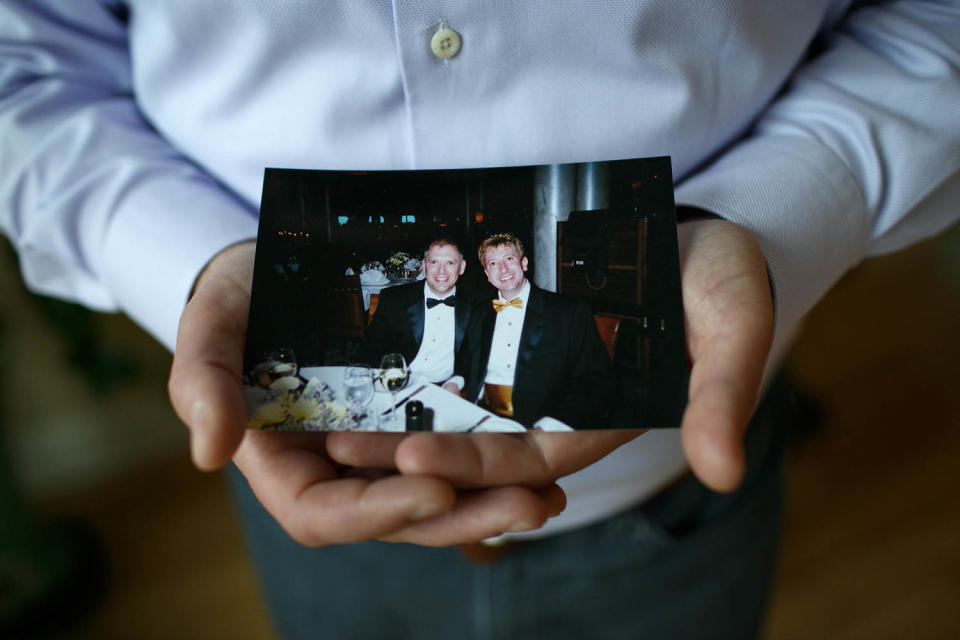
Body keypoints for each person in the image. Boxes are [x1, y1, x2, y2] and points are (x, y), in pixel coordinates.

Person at [1, 2, 959, 637]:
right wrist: (192, 262)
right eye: (465, 261)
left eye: (494, 258)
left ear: (515, 260)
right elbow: (23, 63)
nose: (479, 268)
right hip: (310, 486)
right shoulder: (389, 310)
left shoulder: (569, 315)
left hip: (676, 488)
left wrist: (781, 210)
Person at [457, 232, 615, 429]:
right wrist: (454, 383)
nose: (503, 268)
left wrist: (554, 425)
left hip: (536, 422)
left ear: (524, 263)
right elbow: (465, 361)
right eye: (493, 263)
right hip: (480, 415)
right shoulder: (480, 312)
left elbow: (595, 381)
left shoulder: (568, 313)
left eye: (509, 259)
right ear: (488, 275)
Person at [360, 237, 481, 391]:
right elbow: (370, 349)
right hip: (398, 383)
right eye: (434, 262)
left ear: (462, 267)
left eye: (450, 263)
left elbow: (476, 356)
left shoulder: (475, 303)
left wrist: (456, 382)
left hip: (446, 387)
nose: (441, 271)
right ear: (424, 266)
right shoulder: (394, 299)